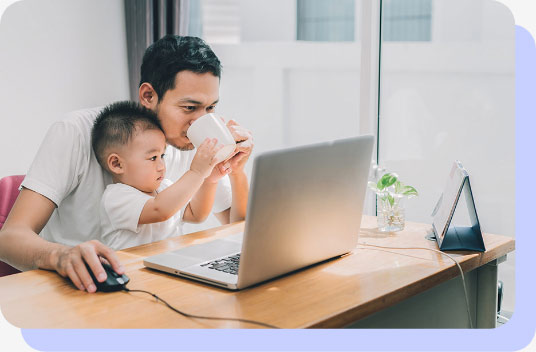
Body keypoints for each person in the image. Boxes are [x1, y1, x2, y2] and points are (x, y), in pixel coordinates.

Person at [0, 35, 253, 293]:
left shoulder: (193, 143)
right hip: (77, 291)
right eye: (189, 107)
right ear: (148, 95)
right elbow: (9, 239)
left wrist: (237, 171)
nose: (200, 121)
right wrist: (61, 256)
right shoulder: (76, 131)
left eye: (210, 108)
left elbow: (238, 227)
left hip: (154, 286)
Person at [93, 101, 227, 250]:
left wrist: (209, 179)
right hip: (132, 271)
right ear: (117, 164)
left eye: (162, 155)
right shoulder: (116, 198)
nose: (161, 165)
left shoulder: (166, 187)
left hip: (169, 265)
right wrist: (196, 172)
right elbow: (160, 210)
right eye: (153, 158)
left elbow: (196, 215)